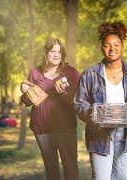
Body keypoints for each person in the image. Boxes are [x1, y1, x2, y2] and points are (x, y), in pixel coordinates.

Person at [74, 21, 127, 180]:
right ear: (101, 48)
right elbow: (79, 104)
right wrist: (94, 113)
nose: (112, 49)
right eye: (107, 45)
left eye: (116, 44)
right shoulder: (90, 74)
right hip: (99, 138)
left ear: (122, 47)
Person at [20, 38, 80, 180]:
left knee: (70, 166)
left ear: (63, 54)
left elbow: (78, 100)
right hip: (42, 128)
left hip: (65, 128)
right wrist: (25, 91)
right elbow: (28, 102)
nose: (56, 54)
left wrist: (64, 93)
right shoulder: (35, 73)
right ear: (46, 53)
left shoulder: (71, 72)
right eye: (52, 51)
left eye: (59, 51)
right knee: (51, 166)